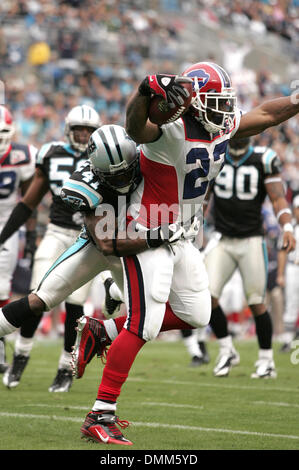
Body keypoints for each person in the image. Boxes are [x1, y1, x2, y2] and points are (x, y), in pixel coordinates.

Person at [72, 62, 299, 445]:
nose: (225, 110)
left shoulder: (221, 124)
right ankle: (101, 413)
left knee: (198, 313)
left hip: (179, 235)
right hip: (145, 231)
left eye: (226, 102)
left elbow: (265, 114)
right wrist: (146, 91)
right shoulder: (168, 129)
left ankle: (104, 329)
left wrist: (296, 100)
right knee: (144, 322)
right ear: (191, 102)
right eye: (216, 101)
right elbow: (134, 126)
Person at [0, 104, 101, 392]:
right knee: (37, 293)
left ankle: (64, 367)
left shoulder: (103, 156)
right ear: (68, 130)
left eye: (88, 131)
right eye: (79, 130)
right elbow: (28, 203)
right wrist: (4, 237)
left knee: (75, 304)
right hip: (56, 232)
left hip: (87, 237)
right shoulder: (52, 153)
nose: (83, 135)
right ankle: (21, 353)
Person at [204, 136, 296, 378]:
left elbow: (277, 199)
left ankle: (266, 360)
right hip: (222, 238)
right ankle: (226, 349)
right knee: (207, 296)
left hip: (252, 239)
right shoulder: (215, 155)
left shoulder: (263, 159)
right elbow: (203, 198)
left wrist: (287, 227)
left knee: (256, 301)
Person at [0, 105, 37, 374]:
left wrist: (32, 236)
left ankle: (0, 344)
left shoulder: (23, 156)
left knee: (1, 287)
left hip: (6, 225)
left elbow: (29, 199)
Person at [276, 194, 299, 352]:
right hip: (293, 268)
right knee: (291, 303)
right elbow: (282, 252)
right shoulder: (291, 229)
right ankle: (288, 340)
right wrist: (280, 274)